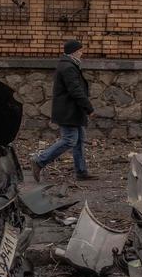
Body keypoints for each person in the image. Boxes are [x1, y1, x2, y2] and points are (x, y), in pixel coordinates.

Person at [31, 39, 98, 181]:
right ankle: (39, 161)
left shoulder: (69, 65)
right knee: (69, 140)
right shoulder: (68, 67)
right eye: (80, 50)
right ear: (74, 52)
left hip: (72, 110)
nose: (82, 53)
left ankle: (81, 172)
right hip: (68, 111)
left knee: (79, 140)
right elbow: (75, 91)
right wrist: (89, 108)